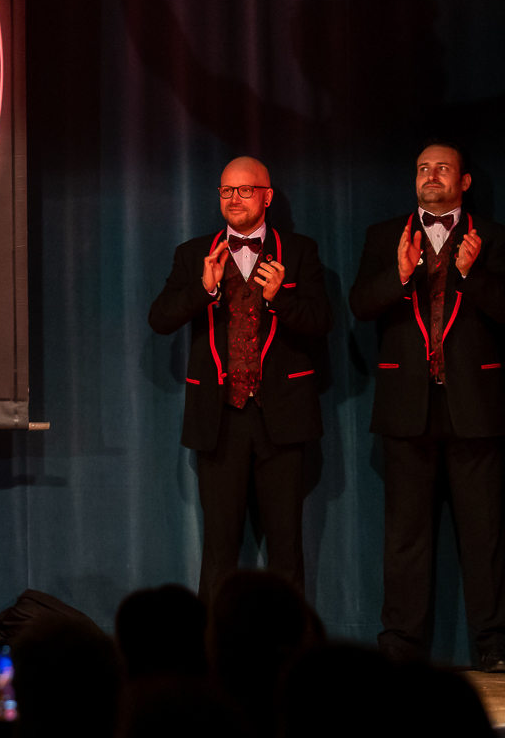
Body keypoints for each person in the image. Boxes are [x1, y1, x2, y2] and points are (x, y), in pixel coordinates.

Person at [349, 140, 505, 669]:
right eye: (422, 168)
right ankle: (400, 646)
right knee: (406, 537)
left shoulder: (494, 238)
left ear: (464, 182)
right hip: (406, 406)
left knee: (484, 535)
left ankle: (494, 644)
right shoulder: (384, 236)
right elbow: (360, 305)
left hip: (475, 406)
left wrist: (474, 275)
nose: (431, 176)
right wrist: (397, 275)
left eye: (442, 168)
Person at [146, 155, 330, 604]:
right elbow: (160, 319)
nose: (234, 199)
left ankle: (289, 639)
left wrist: (280, 299)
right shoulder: (194, 254)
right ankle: (213, 640)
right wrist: (204, 289)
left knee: (286, 547)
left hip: (281, 416)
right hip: (219, 418)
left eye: (245, 190)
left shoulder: (299, 251)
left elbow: (321, 322)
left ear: (267, 197)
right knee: (219, 547)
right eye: (227, 191)